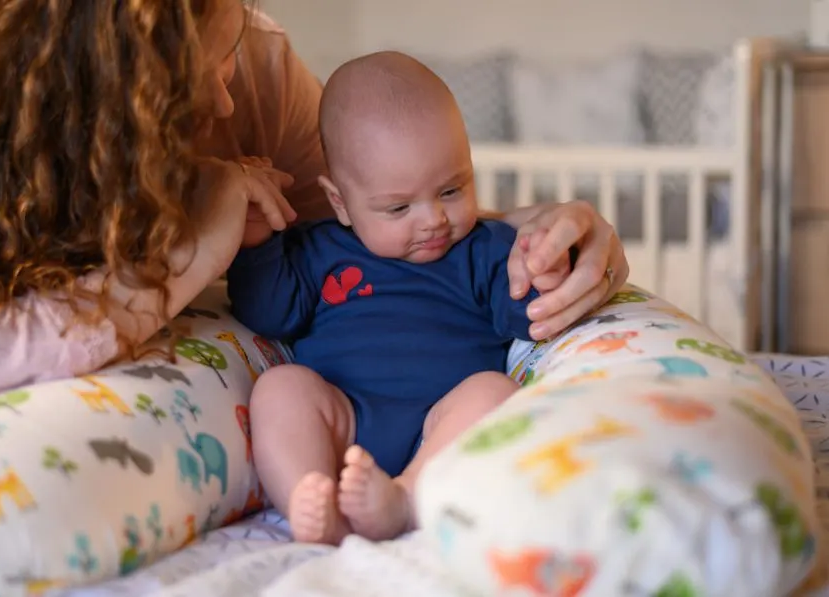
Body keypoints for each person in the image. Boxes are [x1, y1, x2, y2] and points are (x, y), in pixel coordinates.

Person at [0, 0, 627, 468]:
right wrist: (188, 248)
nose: (228, 100)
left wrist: (551, 233)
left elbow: (392, 220)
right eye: (186, 80)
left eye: (228, 51)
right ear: (89, 91)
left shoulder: (257, 68)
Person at [227, 51, 572, 545]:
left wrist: (544, 268)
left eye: (452, 190)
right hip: (342, 417)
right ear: (340, 202)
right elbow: (268, 313)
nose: (432, 219)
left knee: (494, 394)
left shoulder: (483, 247)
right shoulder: (316, 249)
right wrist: (257, 243)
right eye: (399, 206)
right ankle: (311, 494)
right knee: (281, 388)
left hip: (444, 422)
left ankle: (407, 497)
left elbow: (526, 314)